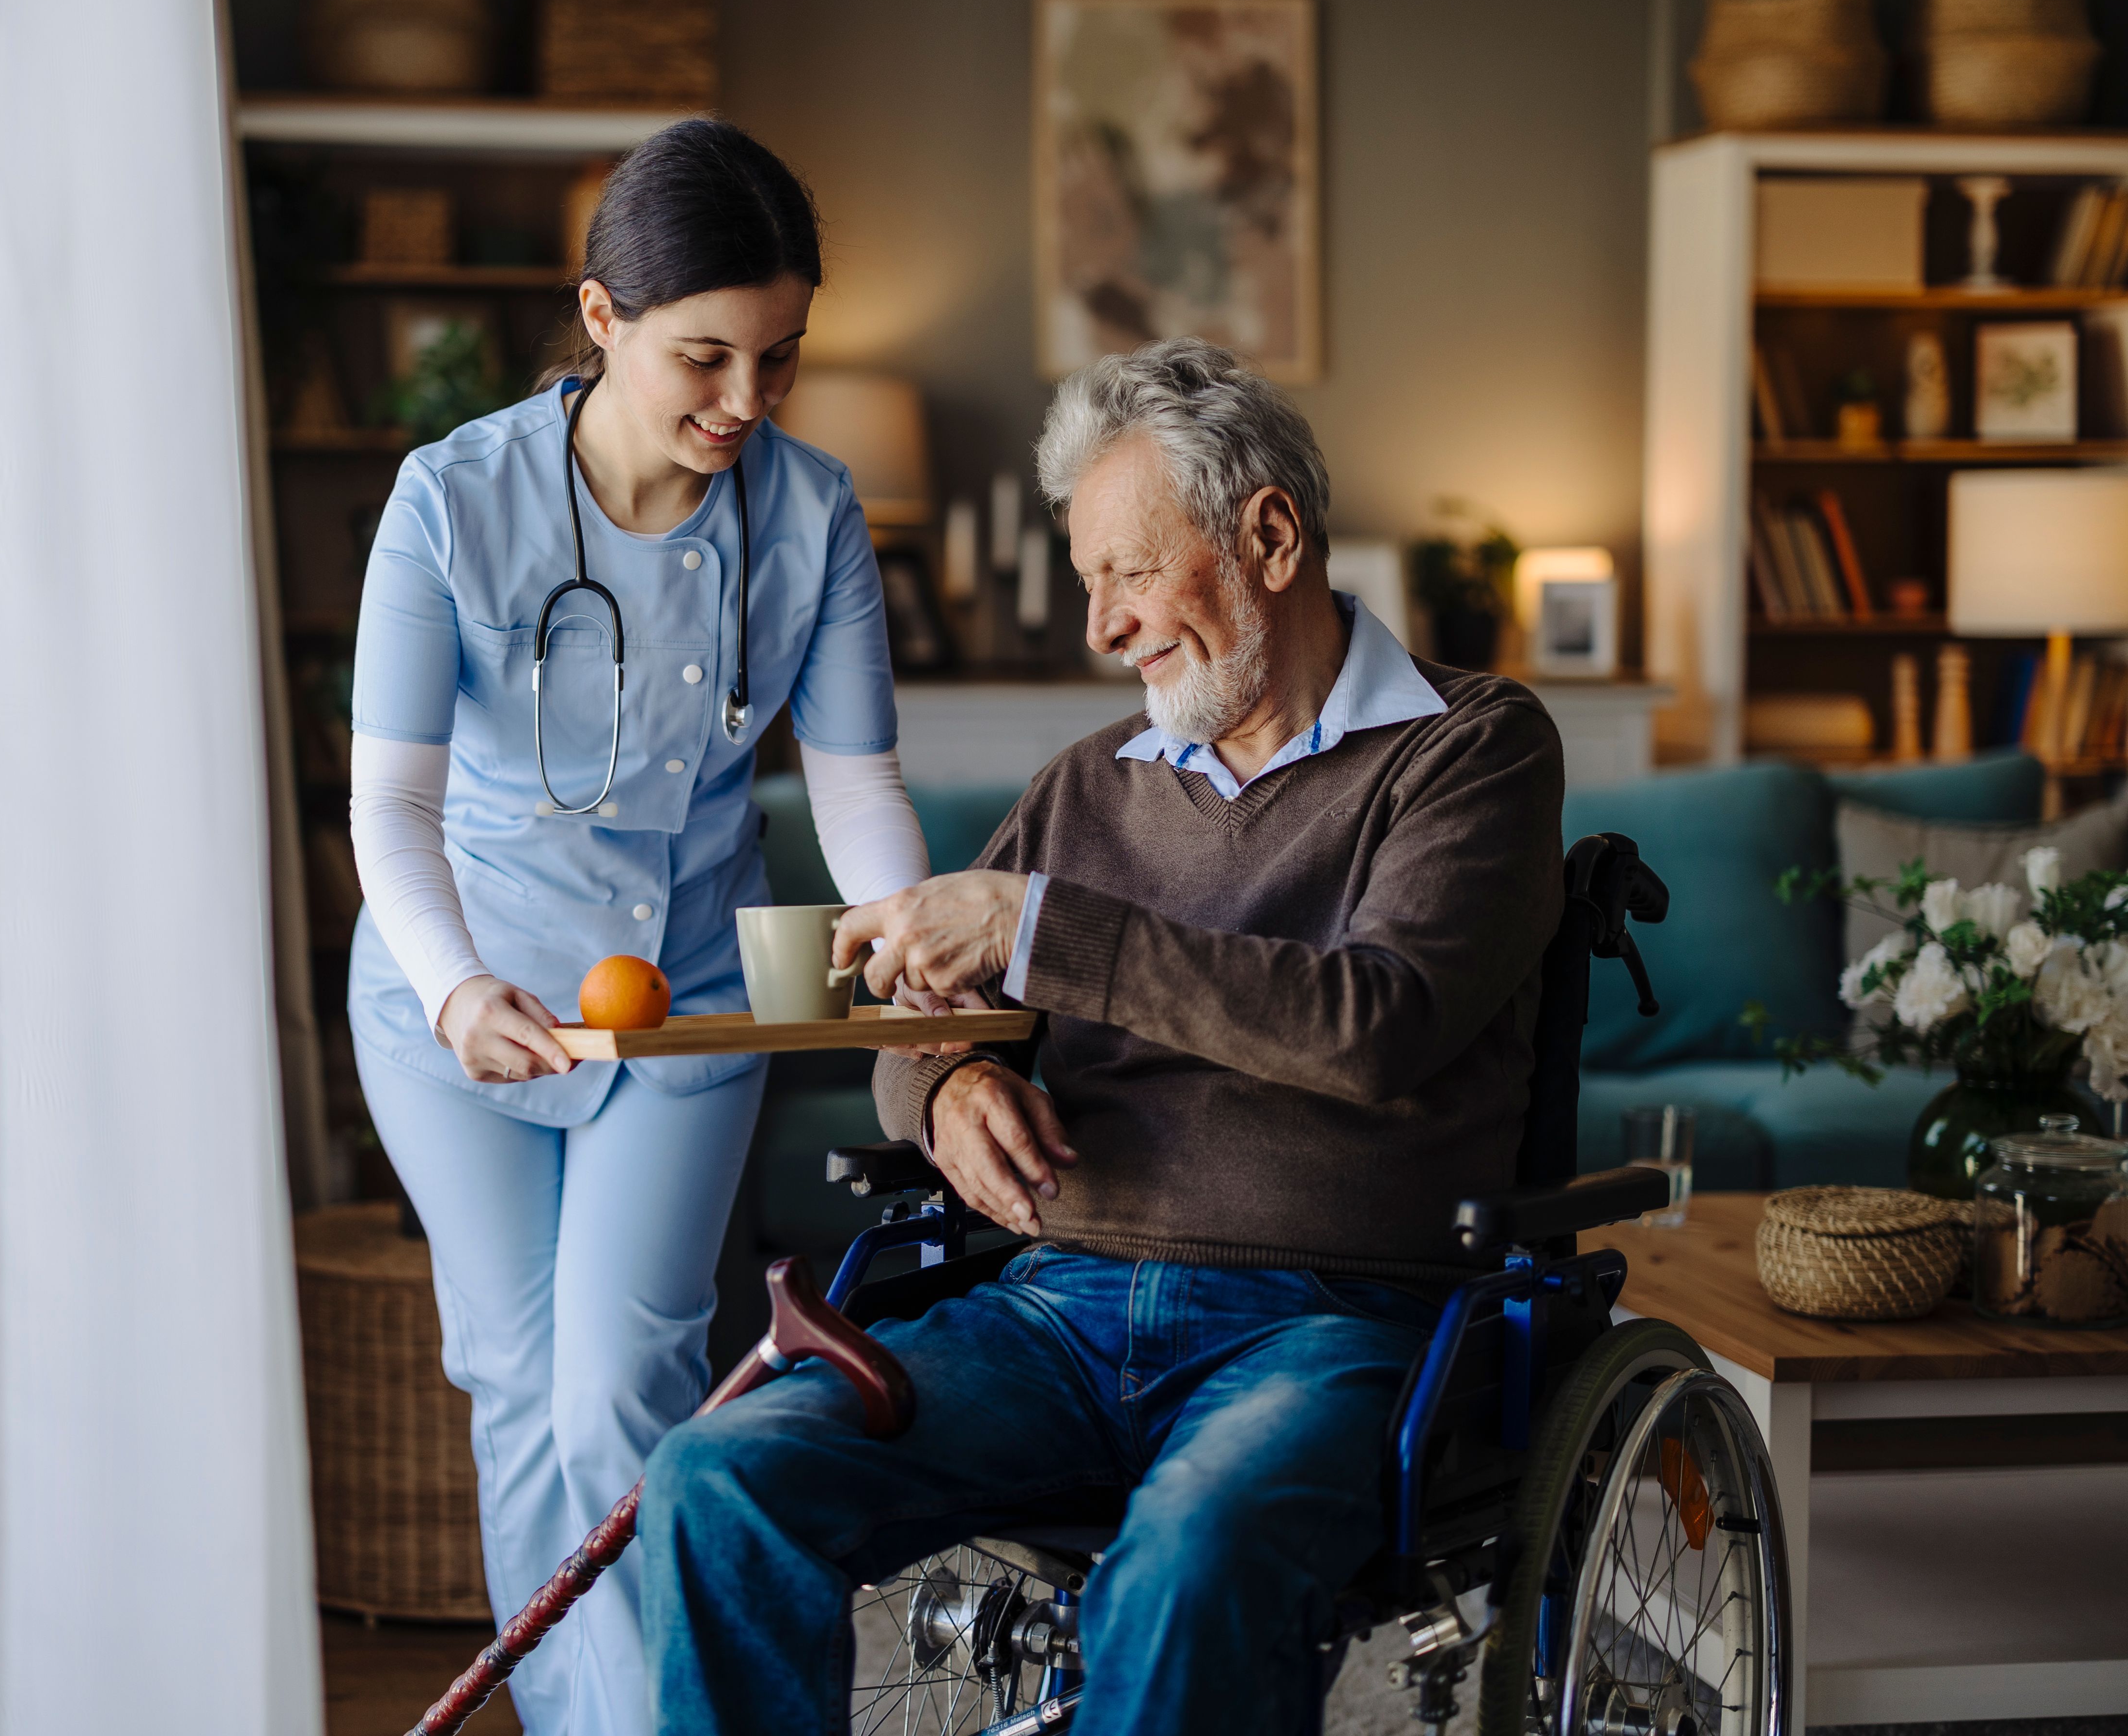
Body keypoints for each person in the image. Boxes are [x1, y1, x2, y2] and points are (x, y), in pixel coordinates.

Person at [635, 338, 1568, 1736]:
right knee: (715, 1481)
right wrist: (946, 1094)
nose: (1103, 627)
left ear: (1268, 535)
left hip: (1328, 1324)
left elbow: (1382, 1024)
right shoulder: (1084, 789)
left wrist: (1039, 927)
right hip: (1055, 1316)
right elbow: (919, 1033)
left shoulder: (1470, 750)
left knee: (1187, 1561)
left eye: (1129, 572)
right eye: (1089, 586)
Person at [343, 120, 929, 1736]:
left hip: (683, 1005)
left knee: (626, 1389)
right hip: (453, 994)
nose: (746, 402)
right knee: (519, 1390)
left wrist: (903, 929)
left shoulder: (811, 517)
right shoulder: (451, 504)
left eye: (781, 359)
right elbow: (388, 806)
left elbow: (857, 782)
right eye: (704, 357)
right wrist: (458, 990)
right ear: (600, 319)